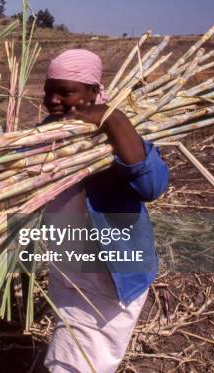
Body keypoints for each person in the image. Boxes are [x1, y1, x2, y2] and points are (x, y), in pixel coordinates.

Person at [38, 50, 169, 372]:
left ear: (94, 92)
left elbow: (151, 187)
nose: (53, 100)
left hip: (110, 270)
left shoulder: (115, 137)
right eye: (48, 91)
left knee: (81, 362)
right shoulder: (47, 132)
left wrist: (112, 118)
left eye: (66, 92)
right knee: (70, 344)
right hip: (67, 264)